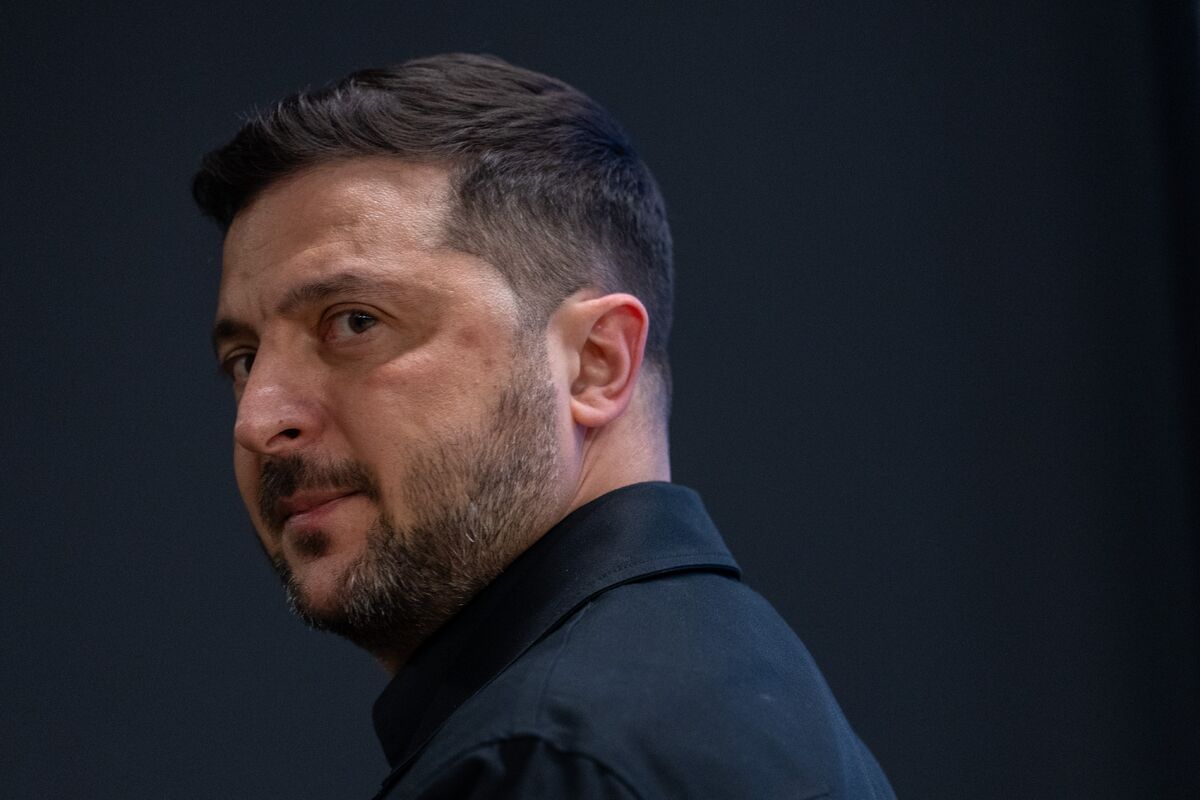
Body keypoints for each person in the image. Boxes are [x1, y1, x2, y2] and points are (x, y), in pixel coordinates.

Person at [194, 53, 894, 799]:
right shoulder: (722, 692)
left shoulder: (548, 760)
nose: (258, 419)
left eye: (355, 322)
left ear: (595, 363)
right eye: (245, 359)